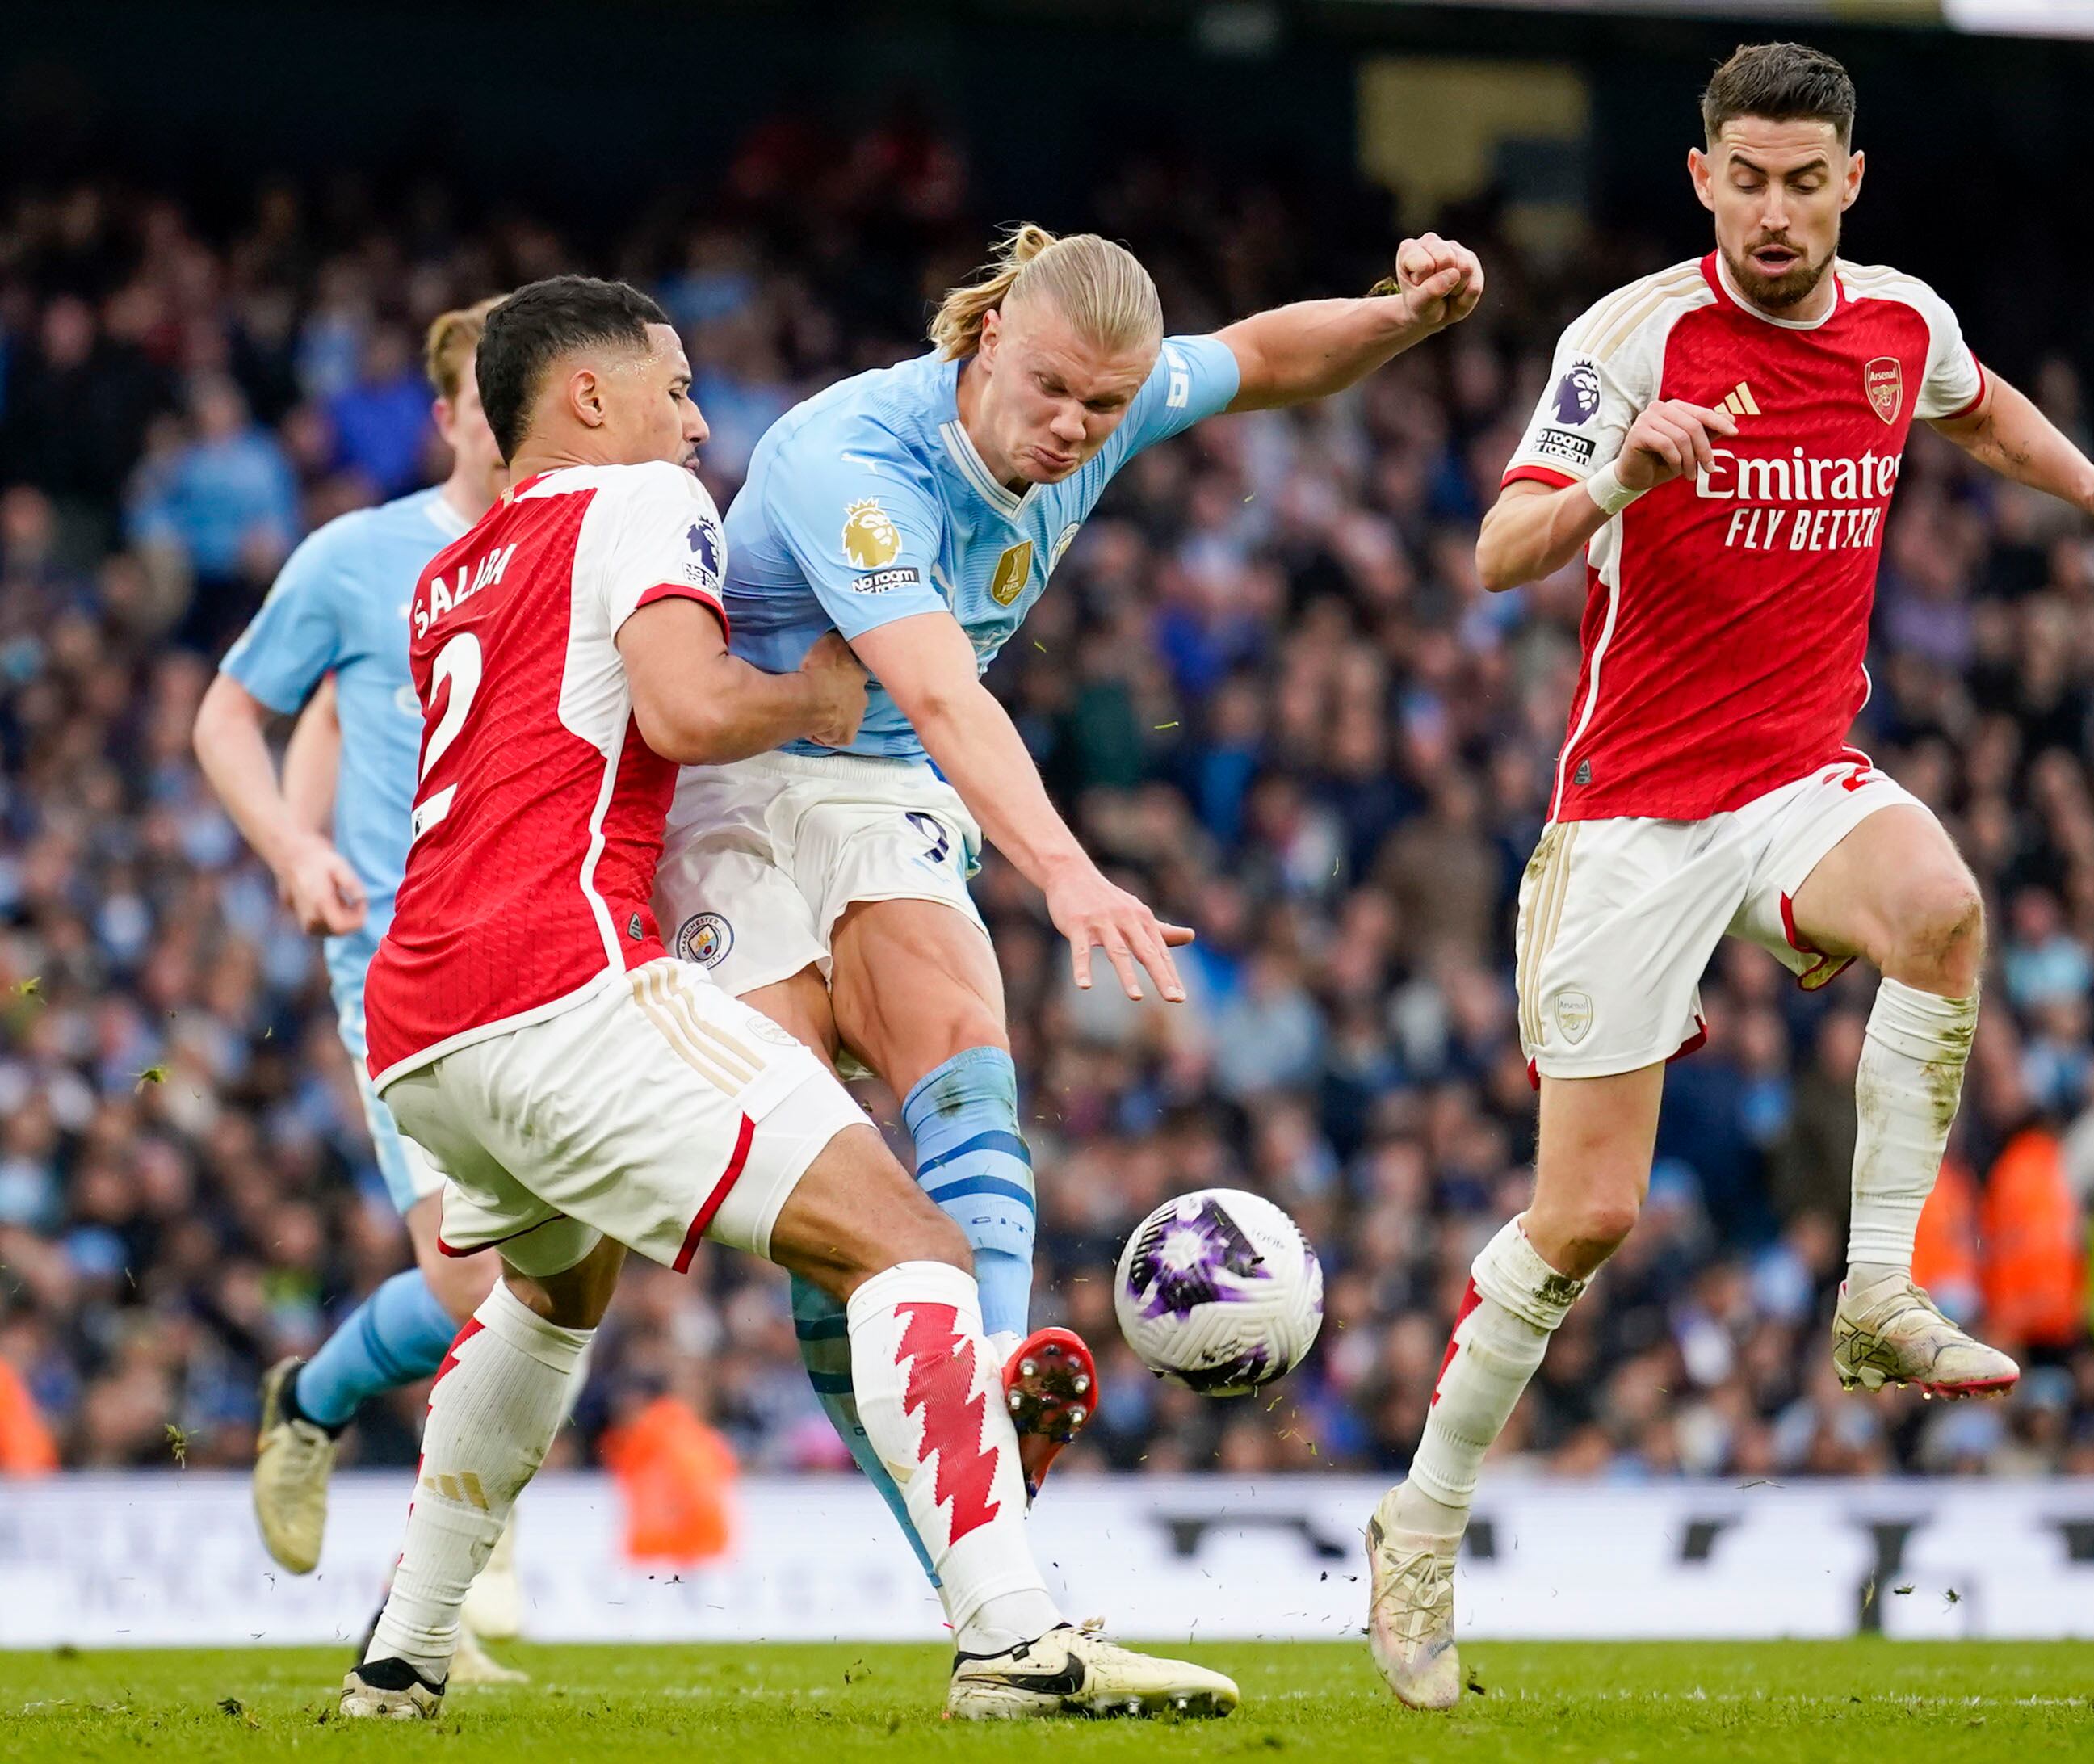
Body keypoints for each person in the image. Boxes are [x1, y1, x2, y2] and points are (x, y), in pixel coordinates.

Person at [1361, 41, 2094, 1710]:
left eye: (1801, 181)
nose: (1772, 212)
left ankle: (1880, 1290)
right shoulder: (1632, 340)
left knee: (1947, 913)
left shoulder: (1900, 319)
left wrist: (2089, 490)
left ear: (1851, 181)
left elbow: (1975, 405)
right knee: (1585, 1217)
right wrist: (1623, 474)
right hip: (1630, 814)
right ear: (1704, 182)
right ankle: (1420, 1525)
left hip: (1800, 777)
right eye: (1743, 181)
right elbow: (1494, 552)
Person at [339, 275, 1235, 1722]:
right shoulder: (635, 502)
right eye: (676, 389)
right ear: (588, 400)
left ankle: (402, 1656)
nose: (699, 424)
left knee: (550, 1302)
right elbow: (692, 711)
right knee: (911, 1242)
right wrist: (809, 704)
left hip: (419, 1021)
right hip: (562, 987)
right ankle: (1012, 1637)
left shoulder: (455, 568)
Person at [651, 224, 1483, 1531]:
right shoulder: (857, 461)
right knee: (825, 1180)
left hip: (883, 792)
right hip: (735, 790)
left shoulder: (1112, 392)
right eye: (1051, 391)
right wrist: (1070, 874)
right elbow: (934, 690)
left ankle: (982, 1395)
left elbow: (1261, 357)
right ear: (988, 341)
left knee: (970, 1061)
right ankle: (973, 1532)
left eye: (1106, 405)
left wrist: (1400, 321)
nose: (1075, 428)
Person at [194, 299, 534, 1679]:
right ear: (448, 413)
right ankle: (326, 1412)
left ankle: (424, 1545)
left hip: (558, 944)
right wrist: (293, 846)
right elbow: (245, 711)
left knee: (548, 1278)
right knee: (474, 1280)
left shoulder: (594, 554)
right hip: (403, 947)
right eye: (484, 402)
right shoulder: (359, 557)